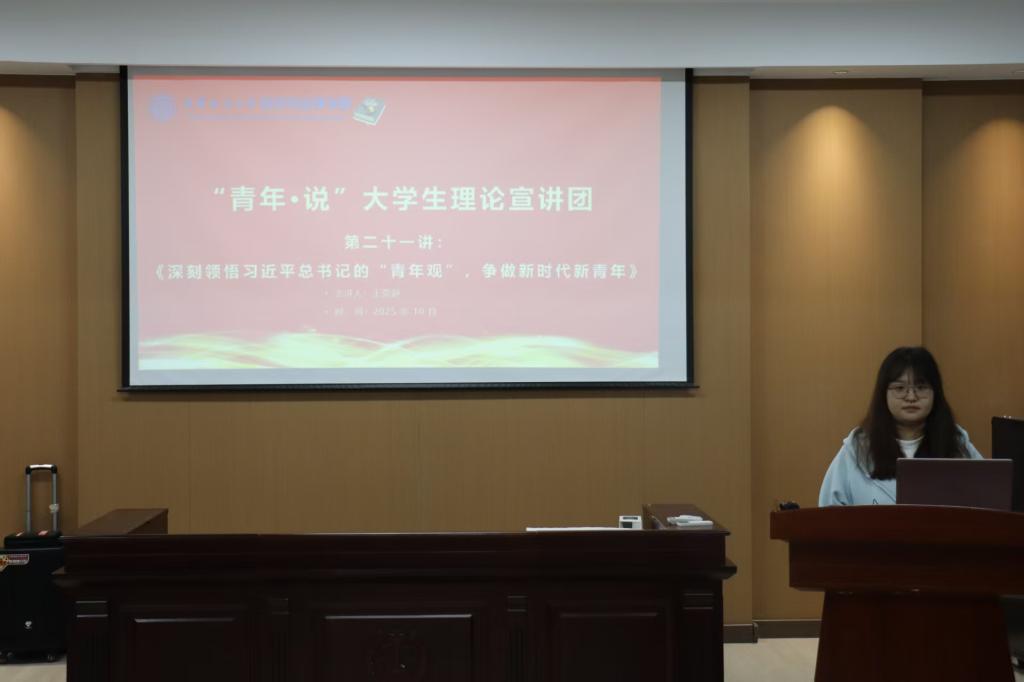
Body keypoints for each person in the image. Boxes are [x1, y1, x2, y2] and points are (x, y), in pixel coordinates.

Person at [819, 346, 983, 506]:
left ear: (936, 393)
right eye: (900, 388)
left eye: (921, 387)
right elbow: (829, 513)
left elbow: (987, 502)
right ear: (884, 393)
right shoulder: (858, 448)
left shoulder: (957, 443)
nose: (911, 397)